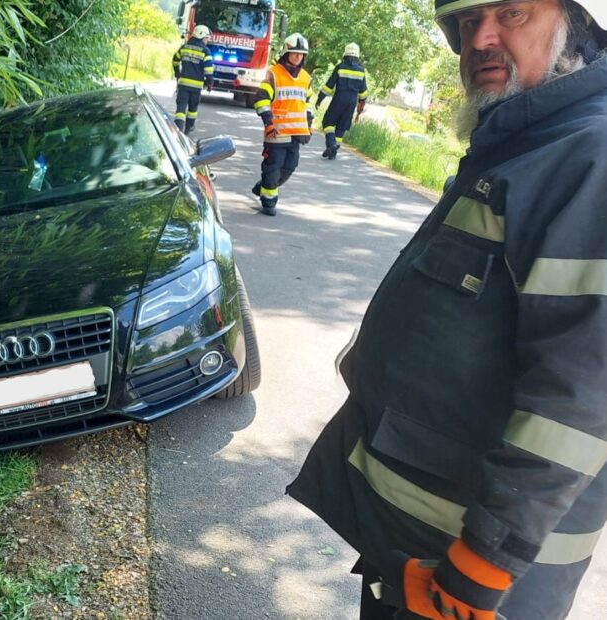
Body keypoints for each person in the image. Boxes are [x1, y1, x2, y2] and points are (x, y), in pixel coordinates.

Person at [286, 1, 607, 619]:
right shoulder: (522, 142)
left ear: (577, 23)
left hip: (473, 575)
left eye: (509, 14)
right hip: (417, 547)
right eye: (465, 23)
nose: (479, 39)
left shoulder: (589, 156)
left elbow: (582, 397)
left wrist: (483, 568)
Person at [250, 33, 313, 216]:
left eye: (301, 54)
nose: (298, 57)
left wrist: (308, 126)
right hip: (276, 132)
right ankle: (268, 201)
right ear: (286, 53)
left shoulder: (306, 78)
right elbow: (261, 100)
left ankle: (263, 186)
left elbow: (306, 105)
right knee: (273, 166)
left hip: (296, 133)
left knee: (289, 167)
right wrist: (268, 123)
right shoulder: (273, 74)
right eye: (294, 53)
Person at [315, 42, 368, 160]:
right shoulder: (361, 71)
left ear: (345, 54)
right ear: (357, 56)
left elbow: (329, 86)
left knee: (328, 122)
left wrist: (320, 98)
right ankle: (333, 152)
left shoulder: (340, 67)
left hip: (339, 98)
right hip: (352, 102)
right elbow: (363, 93)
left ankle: (331, 144)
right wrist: (360, 108)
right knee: (342, 126)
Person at [172, 24, 214, 135]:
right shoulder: (205, 51)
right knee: (192, 109)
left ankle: (178, 131)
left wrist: (177, 73)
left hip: (183, 84)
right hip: (196, 87)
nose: (207, 41)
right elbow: (209, 70)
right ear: (201, 36)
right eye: (206, 38)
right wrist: (209, 83)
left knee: (181, 109)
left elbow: (175, 60)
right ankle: (188, 129)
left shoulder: (184, 47)